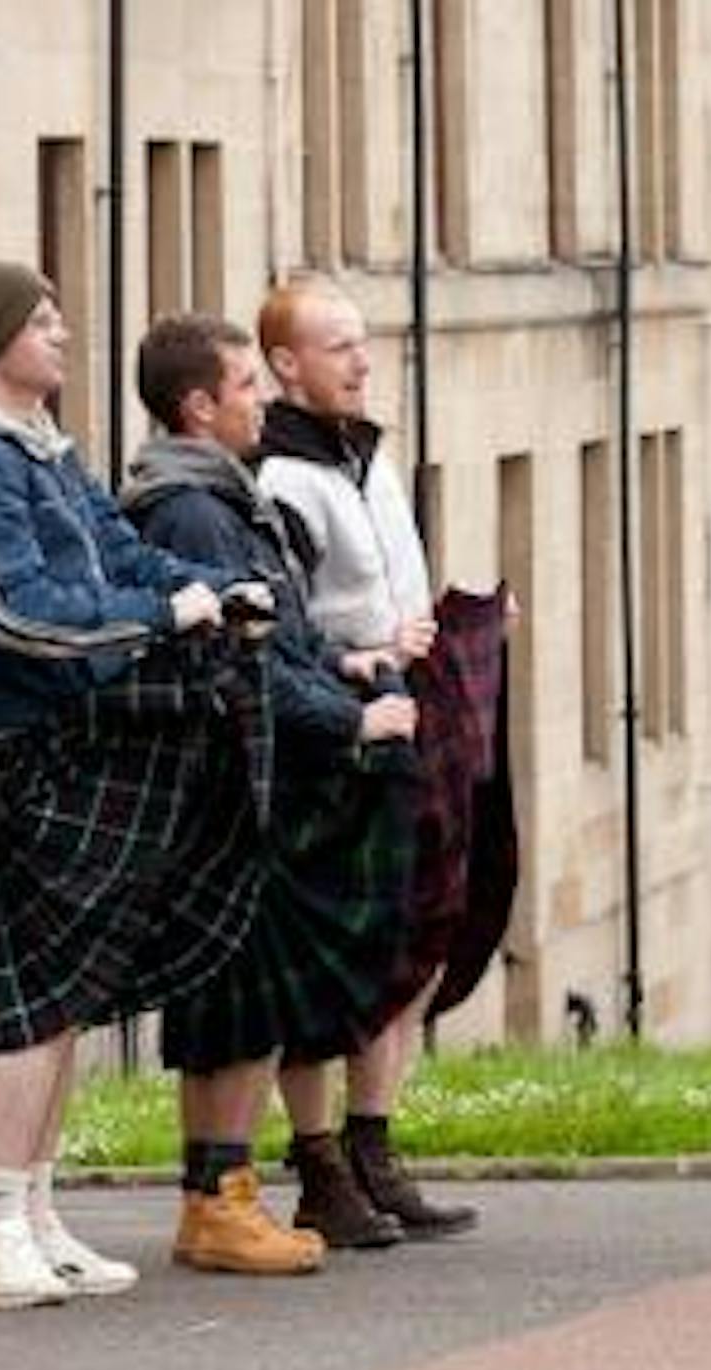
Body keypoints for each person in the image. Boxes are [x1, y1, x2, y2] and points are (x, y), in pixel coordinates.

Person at [0, 252, 274, 1307]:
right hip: (32, 744)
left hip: (86, 734)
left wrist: (211, 588)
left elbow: (118, 554)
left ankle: (38, 1214)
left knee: (62, 997)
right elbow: (14, 612)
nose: (62, 331)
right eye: (41, 318)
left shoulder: (42, 452)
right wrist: (164, 616)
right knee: (38, 999)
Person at [121, 314, 429, 1274]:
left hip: (247, 768)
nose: (265, 401)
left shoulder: (216, 494)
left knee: (240, 1002)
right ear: (198, 407)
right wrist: (349, 717)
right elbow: (235, 657)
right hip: (234, 778)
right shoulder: (194, 510)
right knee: (239, 1003)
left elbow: (277, 640)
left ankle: (225, 1195)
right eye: (248, 386)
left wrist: (343, 662)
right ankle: (219, 1201)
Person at [252, 278, 480, 1243]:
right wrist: (371, 645)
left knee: (409, 938)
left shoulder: (367, 456)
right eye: (336, 346)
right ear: (284, 365)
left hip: (404, 709)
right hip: (335, 725)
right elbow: (292, 628)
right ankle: (318, 1165)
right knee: (327, 958)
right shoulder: (280, 480)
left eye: (362, 341)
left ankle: (375, 1149)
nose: (360, 359)